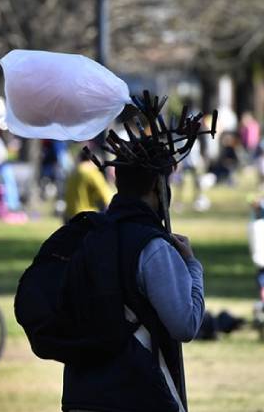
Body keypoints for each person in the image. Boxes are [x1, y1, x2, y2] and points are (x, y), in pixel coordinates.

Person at [60, 142, 204, 412]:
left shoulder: (87, 236)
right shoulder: (152, 246)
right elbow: (185, 324)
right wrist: (192, 267)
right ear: (157, 187)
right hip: (138, 394)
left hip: (81, 395)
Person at [62, 149, 113, 222]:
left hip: (70, 217)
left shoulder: (72, 172)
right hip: (86, 218)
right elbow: (107, 197)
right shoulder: (91, 172)